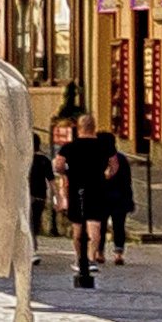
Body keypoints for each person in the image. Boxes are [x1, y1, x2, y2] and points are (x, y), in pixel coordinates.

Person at [56, 109, 137, 286]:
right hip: (97, 188)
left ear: (79, 128)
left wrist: (68, 173)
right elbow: (114, 165)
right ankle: (91, 257)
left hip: (77, 188)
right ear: (93, 128)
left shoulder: (70, 146)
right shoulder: (105, 146)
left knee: (78, 227)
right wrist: (106, 175)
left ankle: (80, 259)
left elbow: (58, 165)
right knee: (95, 225)